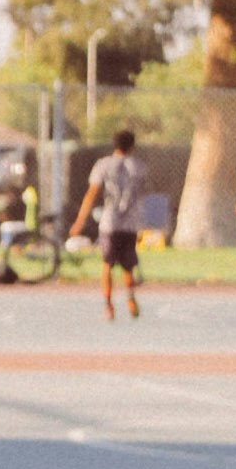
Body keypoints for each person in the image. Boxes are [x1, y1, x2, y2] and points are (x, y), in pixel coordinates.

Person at [71, 121, 147, 322]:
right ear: (132, 146)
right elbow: (142, 194)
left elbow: (91, 194)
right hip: (130, 223)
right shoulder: (138, 167)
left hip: (110, 222)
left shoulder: (103, 165)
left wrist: (80, 221)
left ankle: (108, 305)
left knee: (107, 264)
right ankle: (130, 298)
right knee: (128, 266)